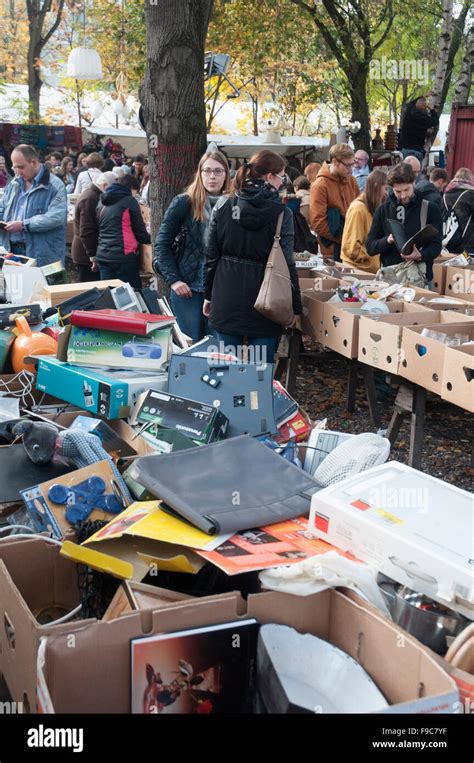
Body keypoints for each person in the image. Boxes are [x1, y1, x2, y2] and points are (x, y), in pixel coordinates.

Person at [203, 149, 302, 365]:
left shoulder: (223, 205)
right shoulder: (282, 214)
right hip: (266, 299)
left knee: (225, 370)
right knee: (260, 371)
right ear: (269, 177)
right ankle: (258, 401)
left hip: (226, 294)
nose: (282, 182)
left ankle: (228, 401)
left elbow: (211, 256)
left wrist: (208, 294)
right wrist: (295, 306)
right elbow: (287, 262)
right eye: (281, 177)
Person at [154, 151, 231, 343]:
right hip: (187, 288)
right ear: (200, 173)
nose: (212, 176)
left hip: (220, 290)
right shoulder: (184, 202)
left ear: (226, 174)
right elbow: (162, 244)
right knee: (190, 347)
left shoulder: (233, 205)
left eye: (218, 171)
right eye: (207, 171)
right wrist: (174, 280)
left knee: (217, 349)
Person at [366, 162, 442, 286]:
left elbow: (436, 246)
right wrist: (388, 240)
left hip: (420, 279)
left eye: (406, 190)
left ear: (414, 183)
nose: (403, 195)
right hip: (389, 280)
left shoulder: (431, 209)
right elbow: (370, 247)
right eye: (398, 191)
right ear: (392, 188)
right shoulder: (383, 210)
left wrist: (420, 255)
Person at [0, 143, 67, 264]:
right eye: (14, 167)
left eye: (20, 167)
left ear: (34, 163)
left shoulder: (55, 186)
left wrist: (24, 225)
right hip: (11, 251)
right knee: (15, 283)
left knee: (37, 283)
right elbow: (3, 207)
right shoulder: (14, 183)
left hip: (41, 255)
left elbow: (56, 217)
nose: (17, 171)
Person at [95, 175, 150, 288]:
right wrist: (150, 239)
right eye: (136, 191)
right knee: (133, 292)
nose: (136, 194)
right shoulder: (129, 201)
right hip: (123, 256)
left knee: (108, 293)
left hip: (103, 254)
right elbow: (139, 231)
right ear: (131, 188)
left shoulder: (101, 201)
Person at [309, 143, 359, 260]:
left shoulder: (352, 181)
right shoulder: (320, 185)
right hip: (332, 251)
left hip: (352, 248)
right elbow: (317, 222)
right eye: (347, 165)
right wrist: (346, 239)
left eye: (352, 165)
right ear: (335, 162)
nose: (351, 169)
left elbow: (360, 208)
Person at [72, 171, 116, 282]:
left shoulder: (92, 195)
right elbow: (86, 230)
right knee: (90, 292)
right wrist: (93, 256)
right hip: (85, 255)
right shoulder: (90, 198)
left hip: (86, 252)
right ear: (105, 185)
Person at [341, 170, 387, 273]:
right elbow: (352, 247)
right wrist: (371, 257)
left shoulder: (370, 208)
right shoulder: (358, 209)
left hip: (367, 270)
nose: (386, 193)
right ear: (376, 187)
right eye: (385, 189)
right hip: (358, 272)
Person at [442, 168, 474, 254]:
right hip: (467, 244)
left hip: (448, 242)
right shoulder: (470, 195)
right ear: (470, 179)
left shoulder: (445, 194)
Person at [400, 95, 439, 162]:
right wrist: (431, 109)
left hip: (406, 149)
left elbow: (409, 104)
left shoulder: (409, 114)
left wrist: (422, 96)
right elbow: (435, 121)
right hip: (417, 150)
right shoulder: (424, 119)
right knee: (416, 171)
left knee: (405, 171)